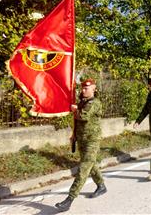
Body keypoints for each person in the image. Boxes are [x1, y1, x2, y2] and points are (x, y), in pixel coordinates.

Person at [55, 78, 106, 212]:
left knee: (83, 168)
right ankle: (101, 186)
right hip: (82, 139)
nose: (83, 90)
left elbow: (83, 117)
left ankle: (69, 199)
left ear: (93, 89)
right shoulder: (82, 102)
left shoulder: (95, 103)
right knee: (91, 164)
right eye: (82, 88)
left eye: (86, 88)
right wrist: (74, 135)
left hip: (92, 140)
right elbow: (77, 121)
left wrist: (75, 110)